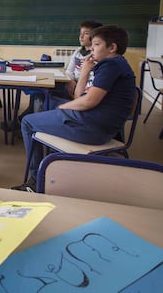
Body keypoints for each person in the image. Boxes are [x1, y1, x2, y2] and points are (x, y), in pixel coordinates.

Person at [12, 25, 136, 192]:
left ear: (112, 48)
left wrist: (63, 107)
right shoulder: (113, 65)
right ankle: (47, 156)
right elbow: (80, 97)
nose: (91, 48)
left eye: (97, 44)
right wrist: (85, 70)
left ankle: (35, 180)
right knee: (46, 103)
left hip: (93, 128)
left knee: (27, 122)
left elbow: (88, 102)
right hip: (98, 124)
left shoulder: (111, 66)